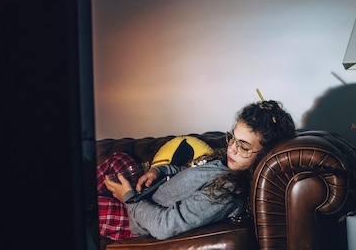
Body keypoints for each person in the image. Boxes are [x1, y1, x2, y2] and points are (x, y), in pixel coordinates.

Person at [97, 99, 296, 241]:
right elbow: (186, 171)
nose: (232, 148)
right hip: (144, 196)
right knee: (119, 159)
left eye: (243, 146)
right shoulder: (224, 162)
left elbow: (164, 226)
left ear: (264, 156)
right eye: (233, 138)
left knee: (90, 205)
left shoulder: (227, 191)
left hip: (136, 219)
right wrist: (160, 171)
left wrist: (128, 198)